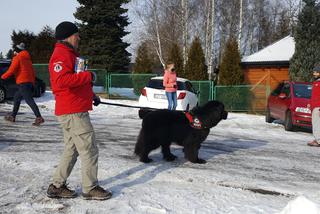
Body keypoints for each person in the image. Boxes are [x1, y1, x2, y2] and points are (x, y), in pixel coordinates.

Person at [46, 21, 112, 200]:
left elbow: (75, 82)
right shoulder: (61, 54)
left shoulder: (70, 54)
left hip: (72, 108)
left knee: (72, 149)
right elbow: (61, 81)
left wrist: (91, 95)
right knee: (89, 149)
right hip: (73, 111)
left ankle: (57, 186)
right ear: (68, 36)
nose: (79, 38)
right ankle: (90, 188)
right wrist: (88, 76)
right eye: (76, 35)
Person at [1, 43, 44, 126]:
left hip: (23, 82)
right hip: (27, 82)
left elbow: (11, 70)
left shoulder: (17, 58)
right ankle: (13, 116)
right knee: (17, 97)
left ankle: (39, 117)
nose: (14, 53)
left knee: (29, 100)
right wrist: (32, 82)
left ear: (17, 51)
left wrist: (3, 77)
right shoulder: (27, 59)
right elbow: (32, 71)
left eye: (14, 51)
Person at [308, 65, 320, 147]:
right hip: (314, 106)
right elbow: (314, 96)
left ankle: (318, 140)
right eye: (314, 72)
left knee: (316, 123)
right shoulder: (316, 82)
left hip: (318, 107)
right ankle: (317, 139)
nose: (314, 73)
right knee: (316, 123)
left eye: (316, 72)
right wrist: (310, 103)